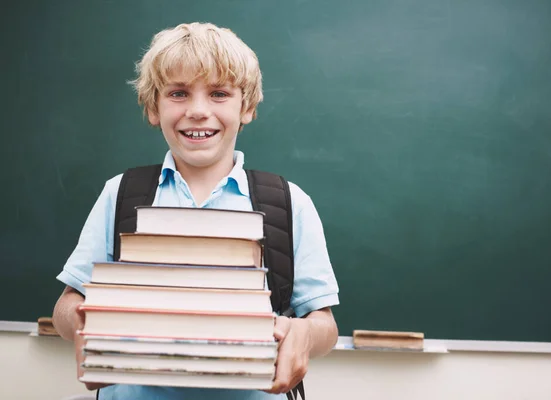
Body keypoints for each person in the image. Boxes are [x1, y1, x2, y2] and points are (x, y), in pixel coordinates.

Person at [52, 22, 340, 400]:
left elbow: (324, 325)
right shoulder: (121, 194)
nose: (198, 111)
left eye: (219, 93)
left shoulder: (289, 202)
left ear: (247, 107)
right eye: (178, 93)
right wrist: (84, 324)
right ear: (154, 107)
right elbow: (67, 304)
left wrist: (304, 333)